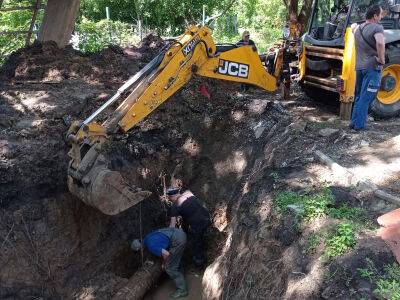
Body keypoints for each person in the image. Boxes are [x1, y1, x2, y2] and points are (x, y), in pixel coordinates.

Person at [350, 4, 385, 131]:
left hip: (359, 68)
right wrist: (381, 59)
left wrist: (354, 25)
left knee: (359, 96)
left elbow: (352, 25)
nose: (381, 17)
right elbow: (380, 42)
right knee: (367, 96)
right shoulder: (377, 28)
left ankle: (353, 123)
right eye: (380, 14)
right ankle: (359, 126)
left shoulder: (357, 29)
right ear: (375, 16)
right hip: (372, 68)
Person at [131, 228, 188, 298]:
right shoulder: (147, 237)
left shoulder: (151, 246)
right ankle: (181, 273)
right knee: (175, 259)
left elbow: (166, 254)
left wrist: (164, 263)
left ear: (140, 249)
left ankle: (182, 290)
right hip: (178, 233)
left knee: (170, 268)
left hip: (178, 240)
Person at [167, 186, 211, 269]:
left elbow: (172, 226)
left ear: (172, 196)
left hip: (199, 224)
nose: (170, 200)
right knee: (197, 233)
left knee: (197, 243)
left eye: (169, 198)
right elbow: (189, 212)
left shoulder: (175, 206)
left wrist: (168, 239)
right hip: (207, 217)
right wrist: (184, 231)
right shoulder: (188, 193)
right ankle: (205, 237)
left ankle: (199, 264)